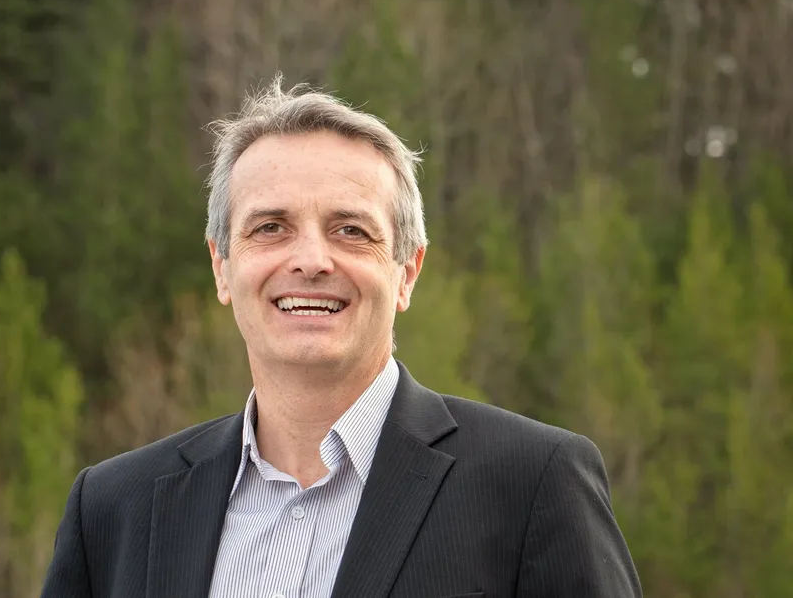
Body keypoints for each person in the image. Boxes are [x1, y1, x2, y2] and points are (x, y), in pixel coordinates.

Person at [39, 76, 643, 598]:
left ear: (407, 272)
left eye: (351, 230)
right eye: (270, 227)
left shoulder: (535, 484)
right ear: (222, 266)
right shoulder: (113, 510)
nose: (311, 260)